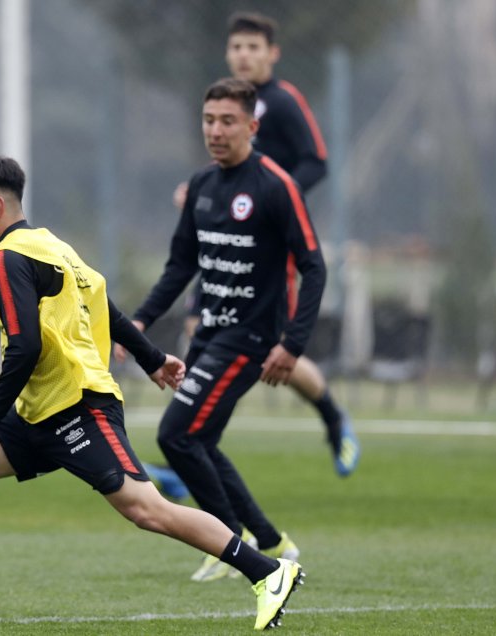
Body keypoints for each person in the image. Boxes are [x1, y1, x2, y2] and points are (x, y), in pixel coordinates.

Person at [0, 152, 304, 631]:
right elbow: (104, 304)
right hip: (39, 409)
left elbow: (24, 346)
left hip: (78, 407)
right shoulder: (52, 246)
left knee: (147, 510)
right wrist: (152, 358)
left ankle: (269, 571)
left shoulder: (7, 259)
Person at [115, 77, 325, 583]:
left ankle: (231, 541)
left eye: (228, 121)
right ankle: (270, 542)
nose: (216, 130)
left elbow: (313, 266)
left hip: (251, 339)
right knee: (199, 440)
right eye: (209, 120)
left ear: (252, 126)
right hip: (210, 333)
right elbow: (179, 266)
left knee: (177, 435)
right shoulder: (203, 187)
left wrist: (292, 344)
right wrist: (139, 321)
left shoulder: (275, 185)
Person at [166, 12, 360, 492]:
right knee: (203, 327)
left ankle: (334, 419)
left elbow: (317, 161)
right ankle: (193, 448)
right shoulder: (227, 102)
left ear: (272, 54)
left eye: (254, 47)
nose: (244, 55)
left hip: (272, 245)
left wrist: (276, 197)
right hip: (229, 245)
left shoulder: (284, 100)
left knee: (272, 347)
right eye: (237, 47)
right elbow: (229, 171)